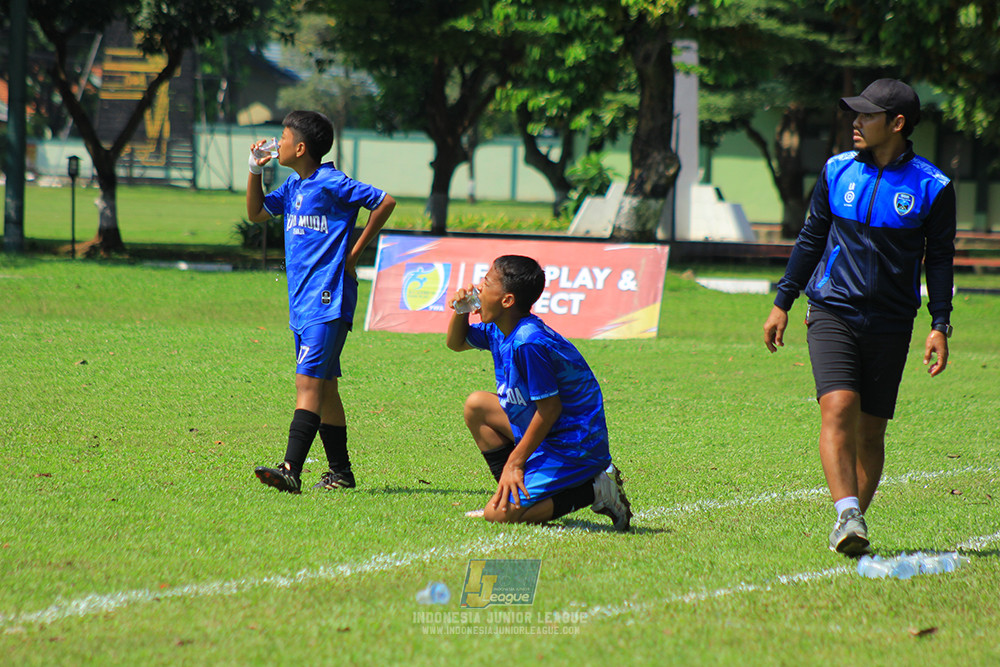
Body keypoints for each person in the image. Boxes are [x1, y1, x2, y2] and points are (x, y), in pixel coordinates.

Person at [762, 79, 956, 555]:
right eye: (855, 114)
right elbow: (810, 239)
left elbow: (941, 260)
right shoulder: (836, 171)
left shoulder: (933, 187)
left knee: (871, 431)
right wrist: (782, 300)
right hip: (832, 308)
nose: (855, 122)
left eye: (867, 115)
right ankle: (846, 511)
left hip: (892, 321)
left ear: (896, 124)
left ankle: (853, 525)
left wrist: (940, 323)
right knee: (839, 406)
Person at [247, 110, 396, 493]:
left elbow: (384, 201)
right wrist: (254, 171)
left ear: (300, 147)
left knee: (307, 383)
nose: (276, 143)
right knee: (325, 388)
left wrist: (357, 251)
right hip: (303, 303)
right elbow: (257, 213)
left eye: (282, 137)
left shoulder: (331, 182)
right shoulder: (295, 187)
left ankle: (290, 469)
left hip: (328, 300)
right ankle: (341, 473)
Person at [446, 255, 633, 531]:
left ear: (507, 300)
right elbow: (456, 343)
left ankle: (595, 489)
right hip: (548, 433)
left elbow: (550, 410)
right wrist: (461, 310)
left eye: (485, 284)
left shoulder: (528, 342)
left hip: (574, 444)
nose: (478, 289)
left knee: (498, 516)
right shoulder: (501, 328)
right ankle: (508, 494)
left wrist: (515, 461)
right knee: (477, 406)